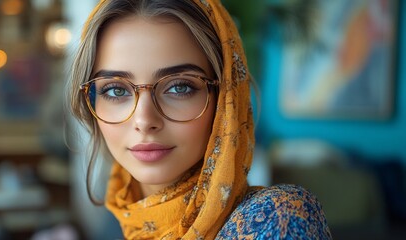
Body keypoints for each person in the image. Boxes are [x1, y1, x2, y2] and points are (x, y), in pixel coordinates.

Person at [67, 0, 332, 239]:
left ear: (226, 97)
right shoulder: (120, 217)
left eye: (179, 87)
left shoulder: (275, 219)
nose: (144, 120)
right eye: (115, 90)